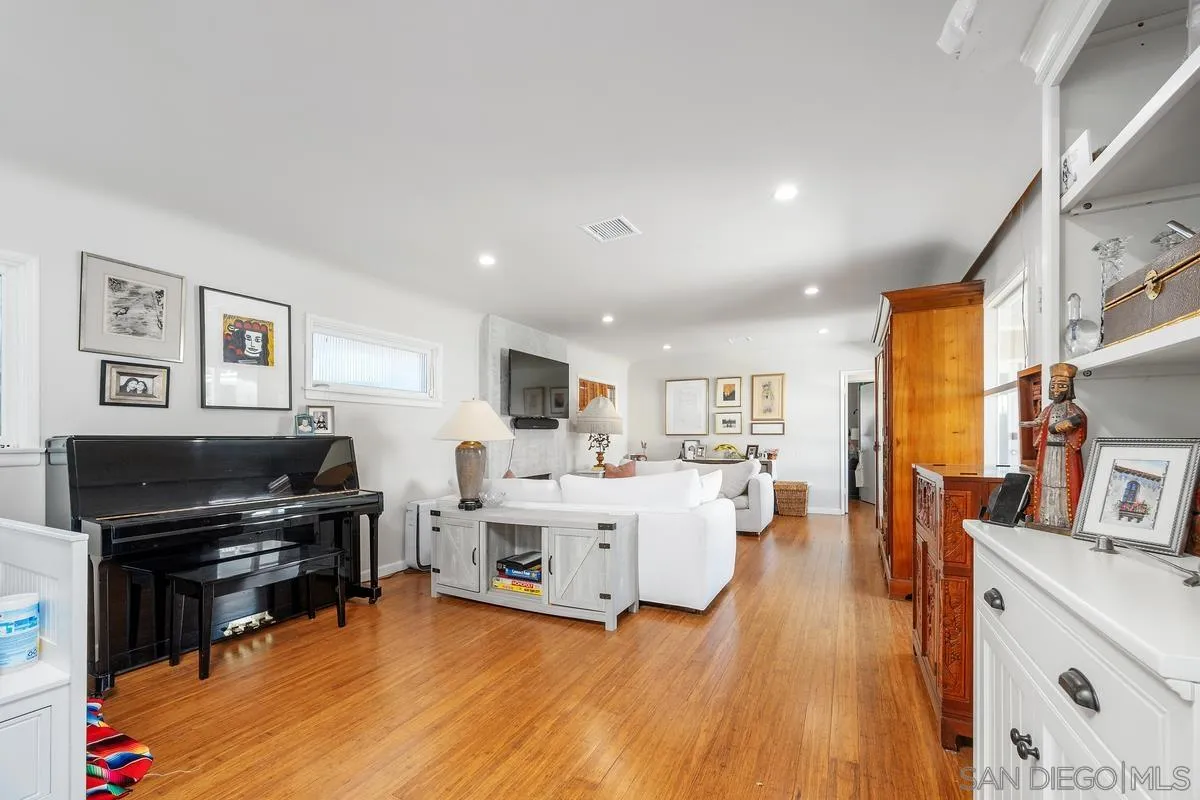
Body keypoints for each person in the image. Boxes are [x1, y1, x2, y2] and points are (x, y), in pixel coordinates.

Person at [1021, 362, 1087, 529]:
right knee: (1046, 483)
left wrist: (1064, 425)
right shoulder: (1048, 409)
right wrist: (1032, 424)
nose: (1057, 390)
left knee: (1064, 486)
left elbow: (1080, 420)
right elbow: (1040, 422)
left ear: (1069, 387)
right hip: (1049, 454)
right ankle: (1046, 517)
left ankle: (1064, 519)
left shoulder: (1072, 409)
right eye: (1054, 385)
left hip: (1065, 454)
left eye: (1062, 386)